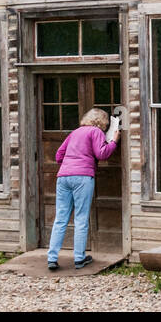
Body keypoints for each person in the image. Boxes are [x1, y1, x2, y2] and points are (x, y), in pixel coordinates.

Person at [47, 107, 120, 271]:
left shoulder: (75, 132)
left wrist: (70, 165)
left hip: (63, 176)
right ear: (102, 122)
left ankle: (52, 258)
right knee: (81, 218)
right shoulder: (96, 132)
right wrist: (114, 141)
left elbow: (59, 155)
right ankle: (79, 258)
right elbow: (102, 154)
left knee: (60, 218)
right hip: (83, 177)